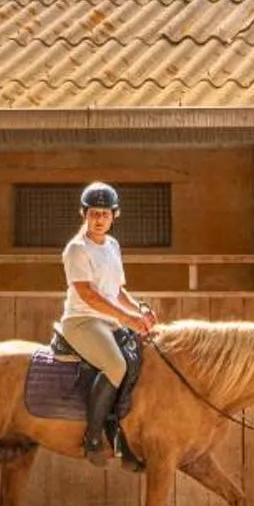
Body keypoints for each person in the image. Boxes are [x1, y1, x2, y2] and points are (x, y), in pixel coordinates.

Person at [60, 181, 157, 467]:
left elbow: (117, 290)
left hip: (110, 322)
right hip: (83, 320)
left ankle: (124, 436)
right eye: (93, 214)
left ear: (115, 215)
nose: (99, 219)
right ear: (83, 214)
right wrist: (128, 319)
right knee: (116, 365)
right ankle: (92, 438)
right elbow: (88, 294)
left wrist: (140, 308)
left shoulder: (112, 245)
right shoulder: (77, 249)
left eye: (104, 214)